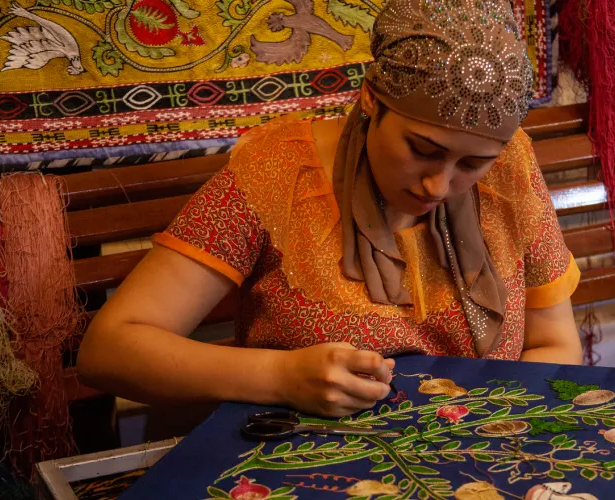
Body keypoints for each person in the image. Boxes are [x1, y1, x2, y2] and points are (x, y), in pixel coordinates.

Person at [77, 0, 583, 418]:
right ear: (370, 101)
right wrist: (279, 377)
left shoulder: (509, 168)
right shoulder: (279, 171)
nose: (439, 183)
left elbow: (557, 345)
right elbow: (110, 352)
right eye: (421, 149)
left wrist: (469, 423)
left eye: (472, 162)